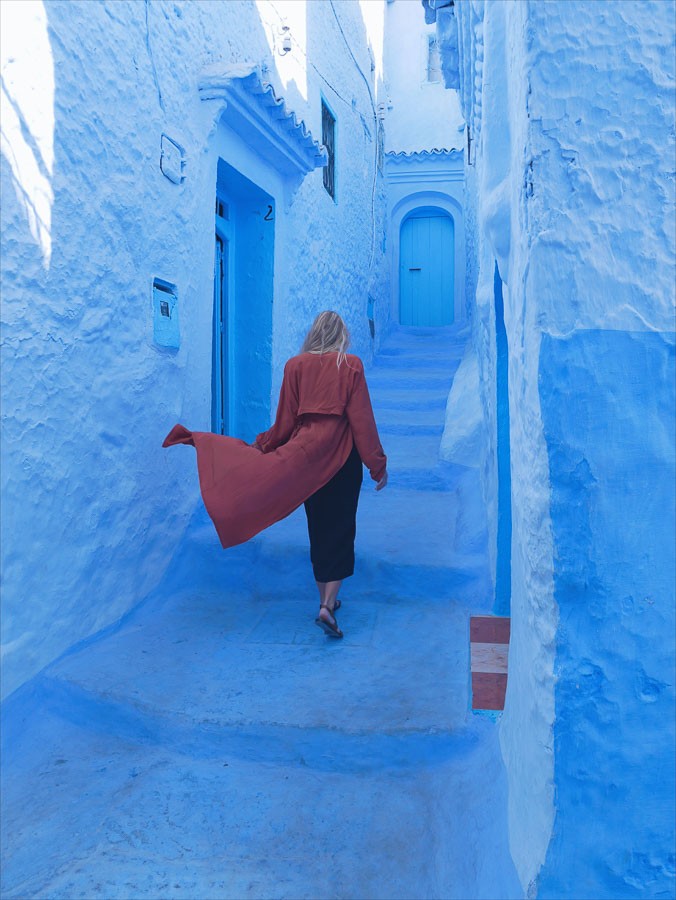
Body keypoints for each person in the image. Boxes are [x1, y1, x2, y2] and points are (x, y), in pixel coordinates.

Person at [162, 310, 387, 639]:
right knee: (340, 528)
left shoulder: (295, 367)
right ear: (342, 336)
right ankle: (328, 603)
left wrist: (262, 446)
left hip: (307, 461)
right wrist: (377, 464)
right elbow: (362, 422)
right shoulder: (350, 366)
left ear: (313, 334)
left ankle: (326, 601)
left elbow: (285, 422)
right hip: (342, 461)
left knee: (319, 527)